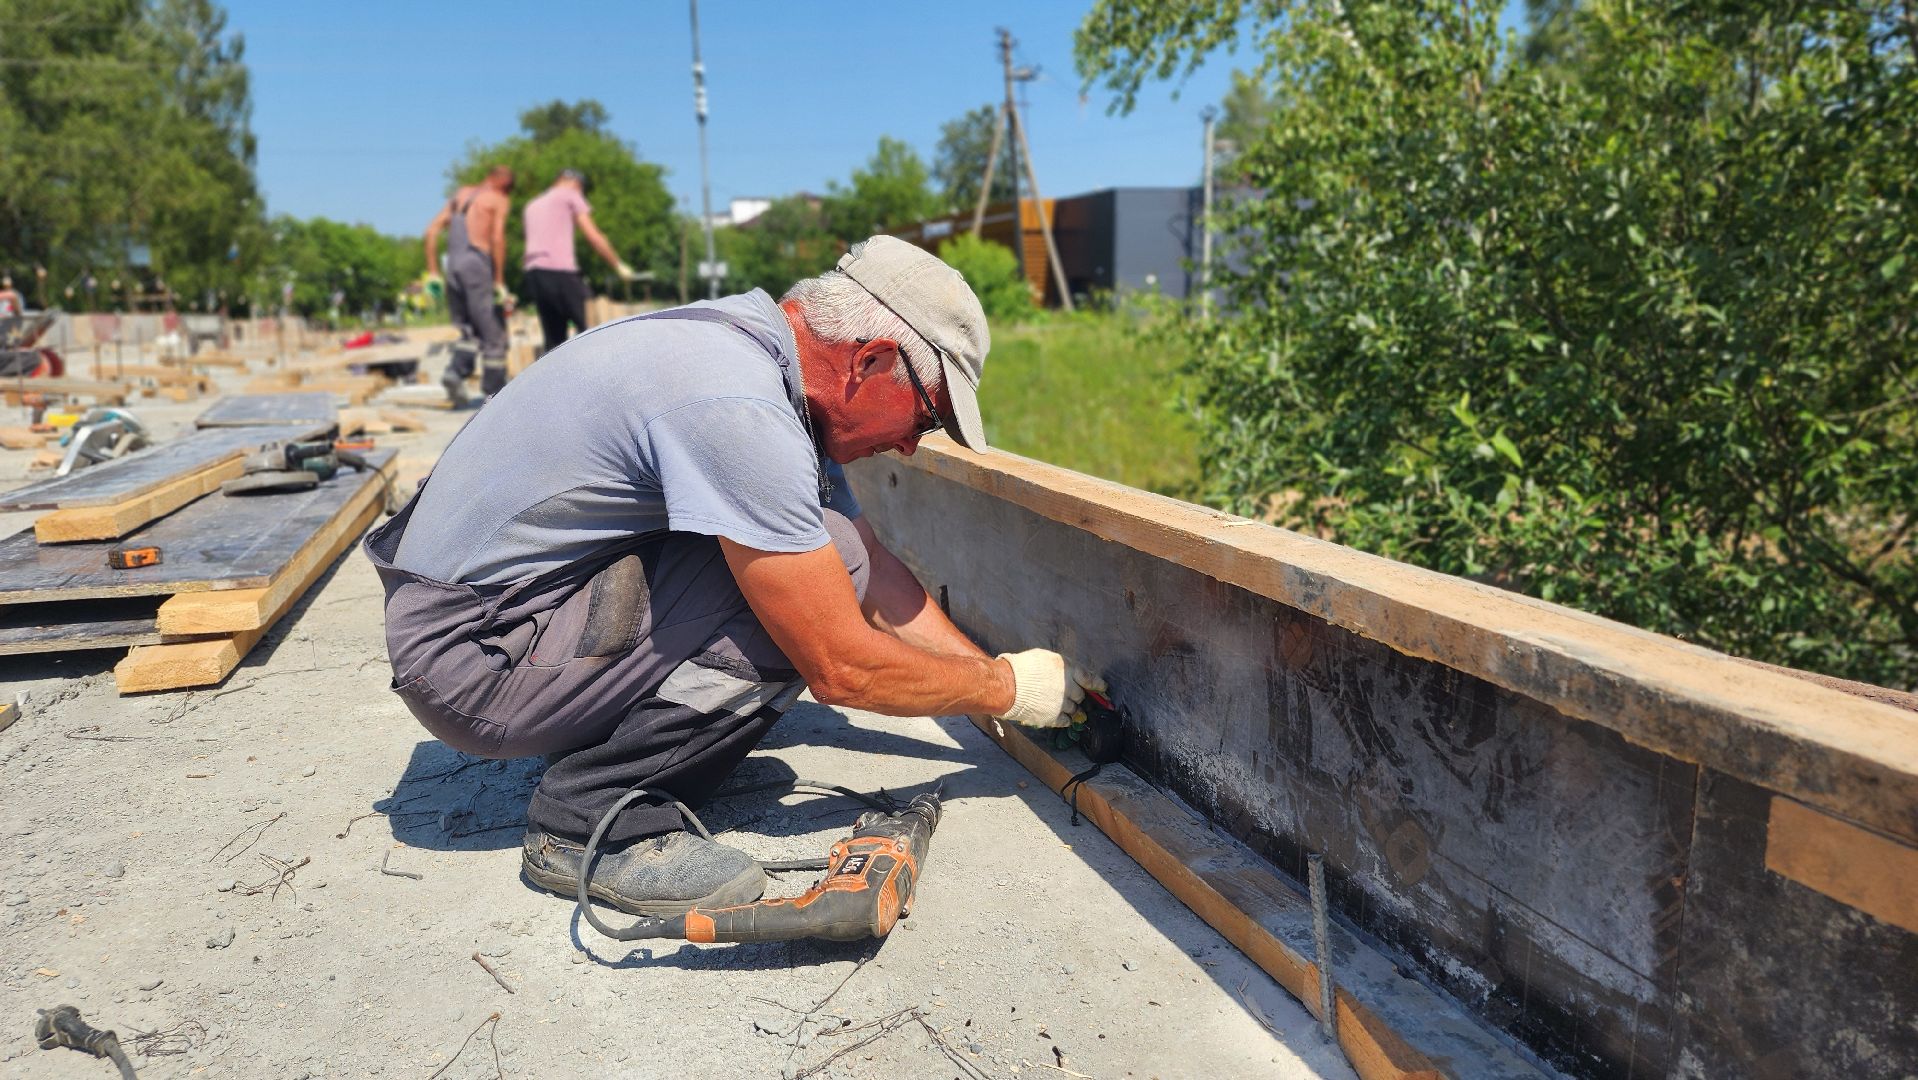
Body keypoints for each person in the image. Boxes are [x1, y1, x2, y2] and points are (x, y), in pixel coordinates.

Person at [368, 236, 1100, 915]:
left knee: (829, 551)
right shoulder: (735, 403)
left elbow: (874, 567)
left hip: (499, 616)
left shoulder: (752, 354)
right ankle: (592, 817)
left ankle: (589, 731)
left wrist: (992, 682)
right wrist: (1007, 689)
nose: (911, 445)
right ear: (870, 361)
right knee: (816, 578)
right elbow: (840, 664)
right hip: (474, 660)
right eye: (927, 413)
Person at [423, 165, 514, 405]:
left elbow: (431, 232)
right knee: (492, 330)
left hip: (452, 265)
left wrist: (432, 272)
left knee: (468, 329)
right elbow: (496, 238)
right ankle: (496, 394)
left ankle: (455, 372)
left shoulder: (460, 195)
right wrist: (499, 280)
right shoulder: (498, 199)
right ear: (505, 183)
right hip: (476, 263)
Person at [521, 168, 638, 353]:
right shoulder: (570, 195)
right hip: (560, 272)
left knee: (554, 339)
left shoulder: (532, 205)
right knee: (592, 329)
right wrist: (618, 264)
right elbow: (593, 236)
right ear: (576, 183)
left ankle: (555, 379)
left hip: (534, 274)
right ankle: (604, 376)